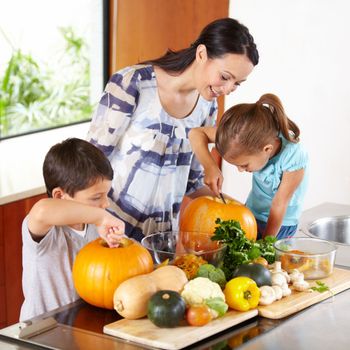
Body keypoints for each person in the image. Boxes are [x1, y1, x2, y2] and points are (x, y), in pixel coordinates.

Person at [87, 17, 259, 241]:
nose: (228, 89)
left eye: (237, 83)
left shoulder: (207, 107)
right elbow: (90, 163)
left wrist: (242, 211)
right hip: (108, 235)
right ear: (201, 54)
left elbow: (192, 184)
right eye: (225, 77)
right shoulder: (133, 83)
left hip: (160, 242)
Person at [20, 138, 125, 321]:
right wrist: (100, 217)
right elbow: (42, 211)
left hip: (80, 327)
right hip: (39, 332)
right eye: (96, 197)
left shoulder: (96, 225)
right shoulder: (47, 232)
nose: (105, 203)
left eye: (106, 194)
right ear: (60, 195)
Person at [189, 93, 308, 239]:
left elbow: (279, 204)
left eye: (244, 165)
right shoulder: (241, 138)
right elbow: (195, 134)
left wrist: (265, 244)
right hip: (251, 215)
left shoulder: (293, 155)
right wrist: (210, 166)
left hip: (280, 225)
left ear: (267, 149)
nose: (240, 170)